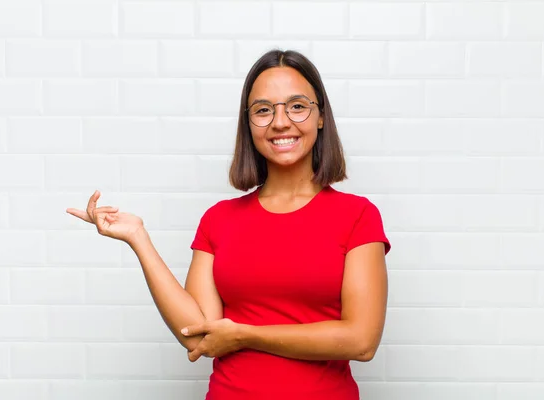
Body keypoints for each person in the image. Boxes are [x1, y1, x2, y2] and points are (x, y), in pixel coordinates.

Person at [66, 49, 391, 400]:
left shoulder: (357, 216)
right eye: (264, 110)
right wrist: (138, 238)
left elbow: (361, 341)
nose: (280, 122)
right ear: (248, 124)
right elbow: (196, 334)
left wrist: (246, 335)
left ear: (321, 117)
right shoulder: (219, 219)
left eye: (297, 106)